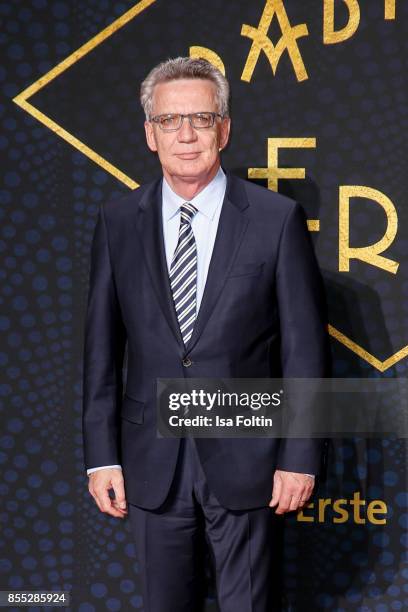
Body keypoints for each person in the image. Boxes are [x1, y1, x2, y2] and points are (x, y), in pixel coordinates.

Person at [82, 57, 330, 612]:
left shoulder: (275, 218)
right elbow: (101, 350)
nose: (186, 135)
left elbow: (304, 351)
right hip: (151, 460)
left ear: (224, 127)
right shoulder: (117, 221)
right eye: (170, 121)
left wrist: (300, 455)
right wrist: (101, 457)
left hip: (249, 457)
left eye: (200, 117)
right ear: (150, 133)